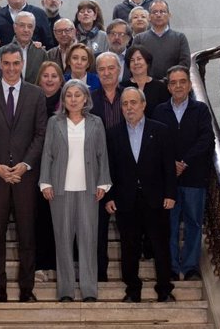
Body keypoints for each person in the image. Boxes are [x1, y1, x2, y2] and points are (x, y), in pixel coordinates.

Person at [0, 44, 47, 303]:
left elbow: (40, 135)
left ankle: (27, 290)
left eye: (16, 63)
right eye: (7, 63)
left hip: (26, 177)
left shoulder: (36, 94)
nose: (12, 68)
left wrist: (25, 165)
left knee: (27, 236)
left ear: (22, 65)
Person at [40, 79, 111, 302]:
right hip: (60, 189)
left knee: (88, 240)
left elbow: (102, 154)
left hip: (89, 189)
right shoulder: (54, 122)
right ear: (64, 99)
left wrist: (103, 183)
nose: (73, 99)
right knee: (62, 239)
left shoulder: (96, 123)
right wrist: (45, 182)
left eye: (77, 95)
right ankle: (66, 291)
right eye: (68, 95)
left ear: (85, 99)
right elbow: (47, 154)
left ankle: (89, 290)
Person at [105, 87, 176, 303]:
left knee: (160, 246)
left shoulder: (161, 130)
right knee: (129, 248)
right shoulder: (113, 133)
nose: (129, 107)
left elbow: (168, 167)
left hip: (156, 199)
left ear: (143, 105)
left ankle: (164, 289)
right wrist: (110, 197)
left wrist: (170, 193)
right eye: (125, 104)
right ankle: (132, 290)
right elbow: (110, 168)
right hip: (126, 201)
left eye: (133, 102)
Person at [153, 66, 214, 281]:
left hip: (194, 177)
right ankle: (170, 265)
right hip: (167, 180)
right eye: (173, 82)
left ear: (189, 85)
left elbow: (206, 140)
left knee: (193, 223)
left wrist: (184, 162)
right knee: (168, 224)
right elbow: (155, 143)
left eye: (182, 82)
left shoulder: (201, 110)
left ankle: (190, 267)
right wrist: (170, 164)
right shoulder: (160, 111)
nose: (178, 86)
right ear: (168, 87)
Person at [90, 52, 123, 281]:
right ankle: (99, 272)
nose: (107, 73)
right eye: (102, 69)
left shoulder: (131, 96)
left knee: (128, 227)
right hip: (97, 171)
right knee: (98, 228)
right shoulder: (89, 100)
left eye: (111, 68)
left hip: (127, 172)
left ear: (119, 70)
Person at [33, 60, 65, 283]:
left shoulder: (69, 101)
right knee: (40, 219)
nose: (50, 79)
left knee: (62, 219)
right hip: (36, 169)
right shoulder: (32, 100)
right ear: (39, 78)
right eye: (46, 75)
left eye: (54, 76)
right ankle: (42, 264)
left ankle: (60, 264)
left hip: (62, 168)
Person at [132, 0, 191, 80]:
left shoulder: (180, 38)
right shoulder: (139, 39)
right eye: (155, 12)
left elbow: (185, 63)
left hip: (173, 86)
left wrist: (169, 80)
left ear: (169, 15)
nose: (158, 15)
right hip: (147, 86)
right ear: (149, 17)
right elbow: (134, 63)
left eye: (162, 11)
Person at [0, 11, 48, 84]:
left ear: (33, 29)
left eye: (30, 26)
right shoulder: (2, 51)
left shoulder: (41, 53)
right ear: (15, 27)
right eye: (22, 25)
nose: (26, 30)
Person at [121, 45, 169, 117]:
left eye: (139, 59)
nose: (136, 63)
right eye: (132, 60)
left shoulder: (161, 87)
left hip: (156, 127)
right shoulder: (122, 87)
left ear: (147, 62)